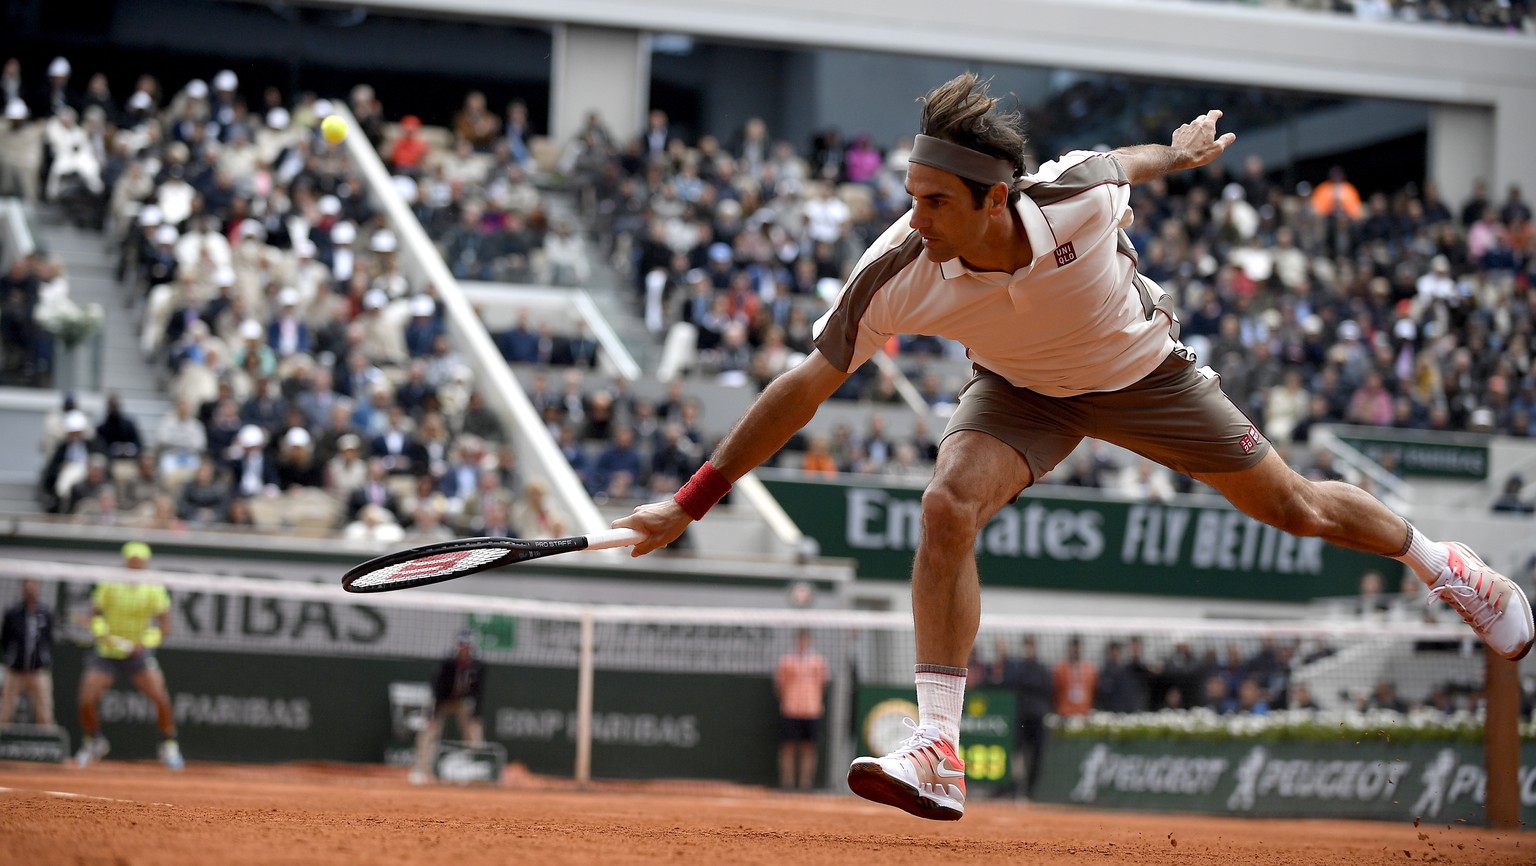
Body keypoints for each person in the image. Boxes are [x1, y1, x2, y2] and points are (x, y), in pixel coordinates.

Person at [611, 72, 1534, 821]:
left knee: (1292, 508)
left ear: (995, 198)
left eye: (935, 201)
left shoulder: (1077, 200)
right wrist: (688, 502)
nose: (917, 217)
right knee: (945, 505)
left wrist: (1176, 152)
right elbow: (803, 388)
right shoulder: (897, 269)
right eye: (912, 198)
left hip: (1143, 374)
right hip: (1020, 392)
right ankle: (939, 749)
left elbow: (1118, 161)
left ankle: (1447, 564)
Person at [75, 542, 182, 770]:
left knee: (160, 698)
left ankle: (168, 744)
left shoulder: (154, 588)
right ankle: (93, 740)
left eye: (140, 560)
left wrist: (143, 643)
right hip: (107, 653)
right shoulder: (110, 583)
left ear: (146, 562)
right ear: (126, 560)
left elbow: (164, 627)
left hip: (138, 654)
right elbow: (94, 617)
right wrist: (103, 633)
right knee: (85, 700)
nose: (135, 563)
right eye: (132, 559)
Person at [411, 631, 487, 785]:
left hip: (463, 701)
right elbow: (438, 689)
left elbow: (479, 692)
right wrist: (433, 714)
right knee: (429, 731)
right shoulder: (448, 663)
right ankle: (420, 770)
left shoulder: (478, 665)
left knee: (474, 730)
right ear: (457, 646)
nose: (464, 648)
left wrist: (475, 716)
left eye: (467, 645)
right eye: (462, 645)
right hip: (442, 700)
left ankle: (475, 771)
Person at [773, 629, 829, 790]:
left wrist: (813, 700)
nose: (802, 643)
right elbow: (779, 685)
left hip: (811, 710)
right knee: (788, 747)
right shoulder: (787, 661)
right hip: (790, 709)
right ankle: (788, 783)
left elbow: (823, 685)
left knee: (808, 747)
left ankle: (805, 784)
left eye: (805, 640)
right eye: (800, 640)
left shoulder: (818, 661)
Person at [0, 578, 56, 725]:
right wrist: (13, 659)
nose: (31, 588)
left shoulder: (46, 614)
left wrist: (41, 659)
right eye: (28, 585)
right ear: (23, 588)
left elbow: (48, 640)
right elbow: (5, 640)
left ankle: (47, 747)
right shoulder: (12, 613)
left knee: (44, 714)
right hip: (15, 671)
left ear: (39, 588)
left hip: (38, 671)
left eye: (34, 585)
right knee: (5, 712)